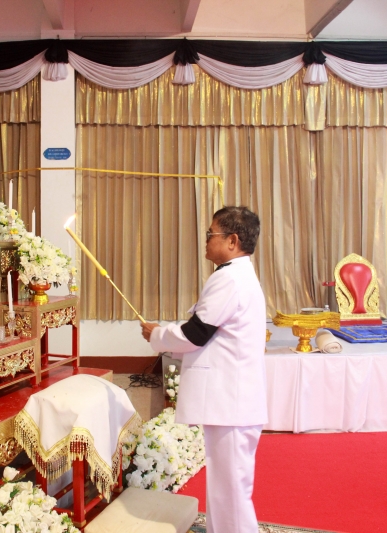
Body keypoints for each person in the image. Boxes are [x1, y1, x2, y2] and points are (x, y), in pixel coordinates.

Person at [141, 205, 267, 533]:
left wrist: (157, 335)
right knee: (226, 490)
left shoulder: (230, 279)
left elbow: (196, 334)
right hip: (232, 402)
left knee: (232, 492)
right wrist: (163, 336)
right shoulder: (235, 275)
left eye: (211, 233)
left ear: (232, 241)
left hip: (231, 402)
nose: (206, 239)